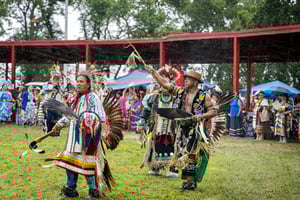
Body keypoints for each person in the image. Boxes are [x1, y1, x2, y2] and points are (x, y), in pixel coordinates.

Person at [147, 66, 216, 190]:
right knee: (182, 153)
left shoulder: (203, 96)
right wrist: (154, 72)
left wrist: (200, 116)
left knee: (191, 154)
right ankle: (187, 181)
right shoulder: (181, 92)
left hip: (195, 128)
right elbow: (165, 84)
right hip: (182, 127)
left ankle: (191, 181)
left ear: (195, 82)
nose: (185, 81)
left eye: (188, 80)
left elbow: (213, 111)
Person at [45, 72, 111, 198]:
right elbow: (70, 116)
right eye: (78, 81)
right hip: (73, 137)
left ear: (88, 84)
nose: (79, 84)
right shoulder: (76, 99)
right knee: (69, 162)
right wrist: (58, 125)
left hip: (88, 137)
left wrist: (90, 126)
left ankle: (94, 191)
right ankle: (71, 189)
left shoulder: (93, 98)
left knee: (88, 164)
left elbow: (100, 117)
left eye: (82, 81)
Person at [138, 82, 178, 178]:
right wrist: (142, 121)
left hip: (172, 129)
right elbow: (146, 110)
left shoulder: (177, 99)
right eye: (164, 86)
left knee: (172, 147)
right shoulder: (154, 98)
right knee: (156, 146)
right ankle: (155, 167)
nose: (165, 89)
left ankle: (172, 168)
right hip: (157, 127)